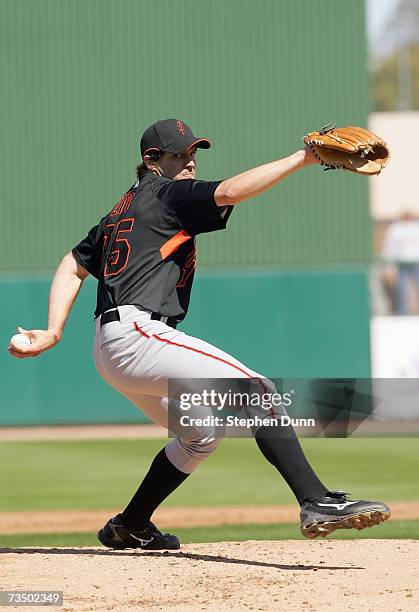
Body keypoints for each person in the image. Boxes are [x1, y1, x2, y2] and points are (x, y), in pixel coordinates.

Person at [9, 118, 390, 548]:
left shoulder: (121, 210)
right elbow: (229, 191)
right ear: (152, 160)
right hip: (138, 336)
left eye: (193, 153)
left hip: (113, 348)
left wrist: (54, 329)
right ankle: (317, 500)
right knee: (256, 391)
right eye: (179, 154)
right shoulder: (165, 192)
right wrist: (305, 157)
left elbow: (71, 264)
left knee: (201, 434)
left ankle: (130, 525)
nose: (189, 161)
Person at [382, 212, 419, 315]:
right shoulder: (395, 229)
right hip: (401, 263)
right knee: (401, 289)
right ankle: (402, 312)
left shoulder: (416, 227)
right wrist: (389, 267)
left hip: (416, 262)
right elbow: (390, 248)